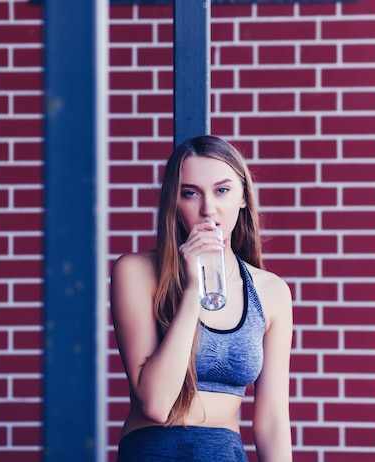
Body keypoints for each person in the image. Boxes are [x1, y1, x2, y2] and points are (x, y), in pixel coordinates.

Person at [110, 135, 293, 461]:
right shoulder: (136, 272)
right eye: (190, 193)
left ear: (242, 197)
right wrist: (194, 288)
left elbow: (273, 421)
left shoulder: (271, 291)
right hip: (154, 451)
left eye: (222, 190)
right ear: (174, 203)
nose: (208, 208)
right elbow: (155, 402)